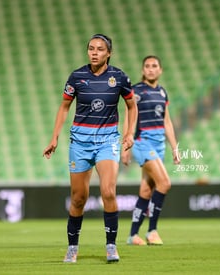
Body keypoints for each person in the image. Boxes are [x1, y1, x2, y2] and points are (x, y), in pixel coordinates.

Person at [43, 34, 138, 263]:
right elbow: (64, 107)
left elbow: (131, 106)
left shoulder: (119, 77)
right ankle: (72, 247)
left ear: (109, 53)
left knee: (108, 191)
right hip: (80, 143)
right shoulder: (77, 77)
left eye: (99, 49)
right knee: (78, 198)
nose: (94, 52)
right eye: (91, 48)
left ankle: (111, 246)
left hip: (107, 142)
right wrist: (54, 137)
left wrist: (128, 133)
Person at [121, 55, 180, 246]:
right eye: (147, 66)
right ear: (142, 70)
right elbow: (128, 118)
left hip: (158, 144)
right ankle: (152, 231)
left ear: (160, 70)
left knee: (147, 190)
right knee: (164, 183)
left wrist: (174, 148)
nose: (151, 69)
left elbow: (167, 122)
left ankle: (132, 235)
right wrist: (125, 146)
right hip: (142, 142)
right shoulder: (136, 91)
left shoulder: (163, 93)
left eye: (154, 66)